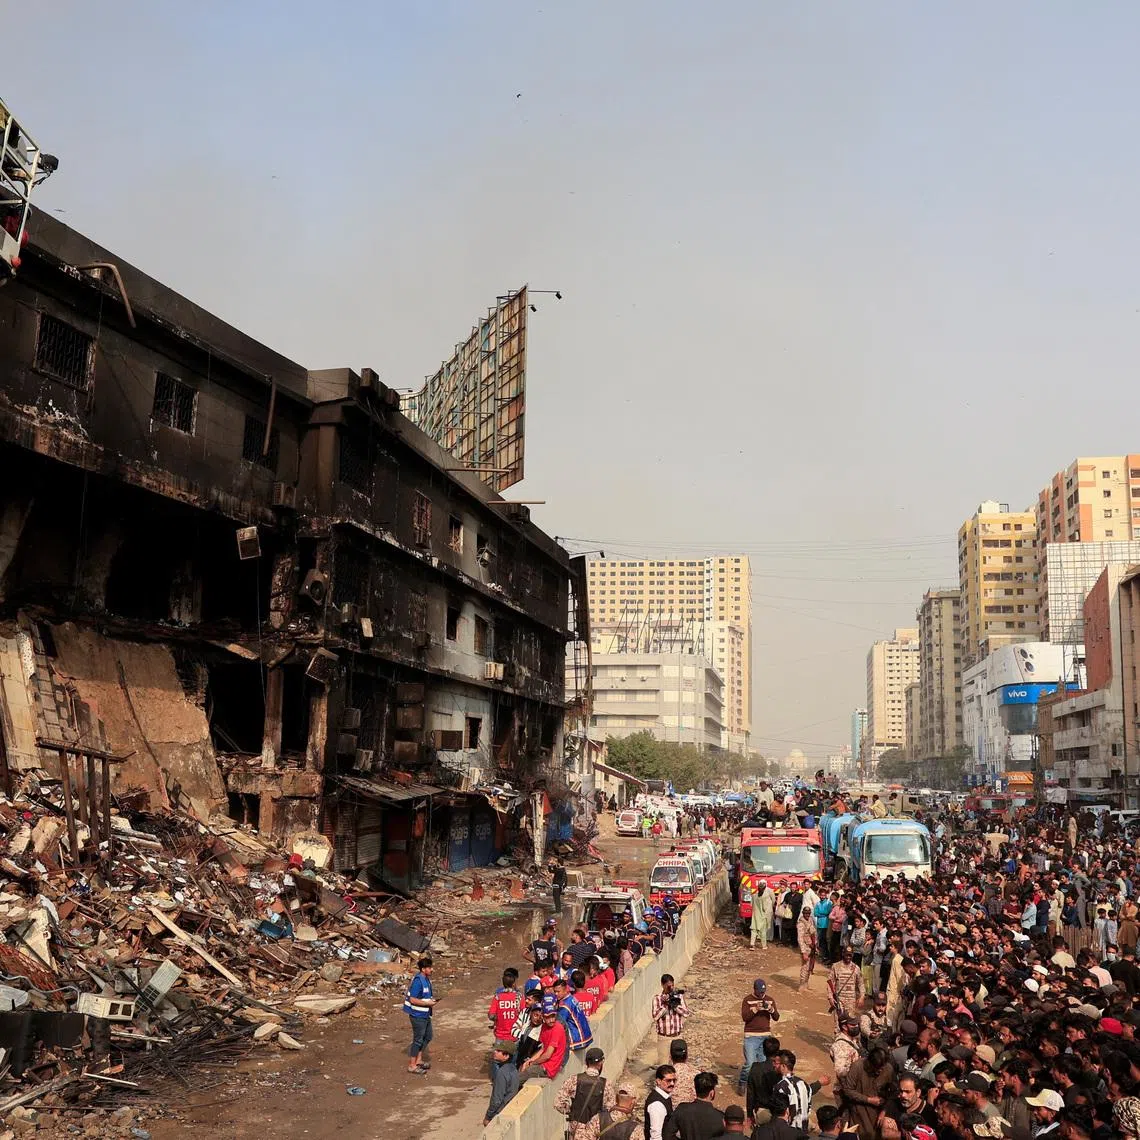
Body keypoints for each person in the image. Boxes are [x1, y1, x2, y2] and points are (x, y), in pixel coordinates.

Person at [554, 1045, 618, 1140]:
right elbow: (611, 1110)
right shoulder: (606, 1085)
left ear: (586, 1062)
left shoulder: (574, 1080)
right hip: (595, 1131)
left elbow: (558, 1103)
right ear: (601, 1063)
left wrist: (571, 1111)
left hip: (576, 1130)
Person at [838, 1045, 895, 1140]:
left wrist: (884, 1110)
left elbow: (894, 1092)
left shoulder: (888, 1069)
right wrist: (868, 1100)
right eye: (877, 1068)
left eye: (882, 1067)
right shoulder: (858, 1067)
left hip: (879, 1114)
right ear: (869, 1063)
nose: (880, 1070)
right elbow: (848, 1090)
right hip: (859, 1113)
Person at [739, 977, 780, 1093]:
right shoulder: (747, 1000)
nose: (762, 994)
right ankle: (742, 1082)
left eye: (764, 991)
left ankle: (760, 1086)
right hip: (751, 1036)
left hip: (765, 1037)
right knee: (750, 1063)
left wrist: (771, 1009)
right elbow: (745, 1017)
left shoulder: (769, 1000)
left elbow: (776, 1017)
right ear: (754, 989)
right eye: (760, 992)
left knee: (763, 1064)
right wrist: (756, 1009)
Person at [519, 998, 569, 1081]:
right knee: (522, 1068)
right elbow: (543, 1049)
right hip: (544, 1064)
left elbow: (547, 1055)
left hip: (549, 1068)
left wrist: (532, 1063)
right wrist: (529, 1061)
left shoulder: (557, 1028)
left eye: (553, 1016)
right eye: (548, 1017)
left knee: (520, 1077)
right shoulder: (544, 1027)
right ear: (543, 1017)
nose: (551, 1020)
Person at [663, 1071, 723, 1140]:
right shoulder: (720, 1117)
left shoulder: (681, 1109)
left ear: (695, 1090)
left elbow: (668, 1135)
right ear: (711, 1093)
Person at [403, 955, 437, 1075]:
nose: (431, 969)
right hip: (417, 1015)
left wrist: (431, 1001)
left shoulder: (426, 979)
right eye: (429, 967)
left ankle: (419, 1060)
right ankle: (412, 1065)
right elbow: (412, 999)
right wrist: (426, 1003)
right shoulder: (418, 981)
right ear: (423, 969)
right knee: (418, 1040)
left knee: (428, 1036)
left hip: (425, 1014)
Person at [651, 974, 690, 1064]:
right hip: (664, 1037)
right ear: (662, 985)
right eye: (669, 986)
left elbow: (686, 1013)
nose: (671, 988)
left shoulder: (678, 997)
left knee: (679, 1064)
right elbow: (655, 1016)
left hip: (677, 1036)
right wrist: (665, 1004)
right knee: (664, 1065)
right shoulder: (657, 999)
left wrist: (674, 1005)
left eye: (672, 985)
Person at [488, 967, 522, 1062]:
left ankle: (497, 1077)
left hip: (500, 1034)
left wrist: (498, 1018)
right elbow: (523, 1014)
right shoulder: (519, 996)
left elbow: (491, 1015)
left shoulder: (498, 997)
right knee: (513, 1060)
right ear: (514, 983)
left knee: (497, 1060)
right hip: (514, 1035)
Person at [828, 945, 865, 1028]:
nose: (848, 957)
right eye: (846, 955)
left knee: (850, 1024)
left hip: (851, 1001)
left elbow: (861, 984)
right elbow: (830, 983)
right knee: (838, 1025)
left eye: (850, 955)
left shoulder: (856, 968)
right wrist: (830, 998)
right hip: (839, 1000)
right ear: (843, 954)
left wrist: (862, 997)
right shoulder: (835, 966)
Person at [483, 1044, 519, 1127]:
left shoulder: (502, 1073)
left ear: (506, 1056)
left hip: (501, 1111)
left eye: (499, 1051)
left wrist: (488, 1117)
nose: (495, 1052)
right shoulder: (513, 1068)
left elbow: (497, 1099)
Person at [666, 1038, 702, 1106]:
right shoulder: (697, 1074)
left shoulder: (666, 1076)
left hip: (673, 1115)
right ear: (687, 1056)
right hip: (694, 1113)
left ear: (670, 1056)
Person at [646, 1065, 676, 1140]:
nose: (672, 1084)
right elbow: (655, 1135)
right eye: (668, 1080)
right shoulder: (657, 1105)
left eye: (674, 1080)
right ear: (658, 1081)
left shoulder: (664, 1096)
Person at [798, 906, 818, 990]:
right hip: (806, 947)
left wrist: (816, 946)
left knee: (810, 967)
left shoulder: (810, 920)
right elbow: (800, 938)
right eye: (805, 913)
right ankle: (802, 984)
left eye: (808, 913)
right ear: (803, 913)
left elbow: (813, 933)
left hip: (812, 946)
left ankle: (806, 983)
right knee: (805, 966)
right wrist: (803, 952)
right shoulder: (801, 924)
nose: (807, 915)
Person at [752, 879, 775, 950]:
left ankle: (752, 944)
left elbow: (752, 905)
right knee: (763, 931)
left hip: (755, 916)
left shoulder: (754, 896)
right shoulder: (763, 898)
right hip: (762, 916)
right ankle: (764, 946)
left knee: (754, 930)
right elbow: (765, 908)